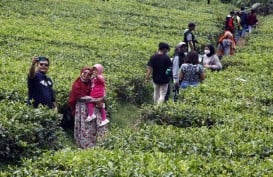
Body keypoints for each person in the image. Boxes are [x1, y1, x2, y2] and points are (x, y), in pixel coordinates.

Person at [68, 67, 107, 149]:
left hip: (93, 106)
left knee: (95, 125)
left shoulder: (92, 82)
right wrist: (93, 99)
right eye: (84, 73)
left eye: (89, 74)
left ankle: (99, 144)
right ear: (81, 73)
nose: (86, 75)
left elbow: (101, 90)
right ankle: (86, 145)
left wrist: (100, 98)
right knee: (85, 126)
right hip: (82, 108)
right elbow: (78, 97)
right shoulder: (77, 84)